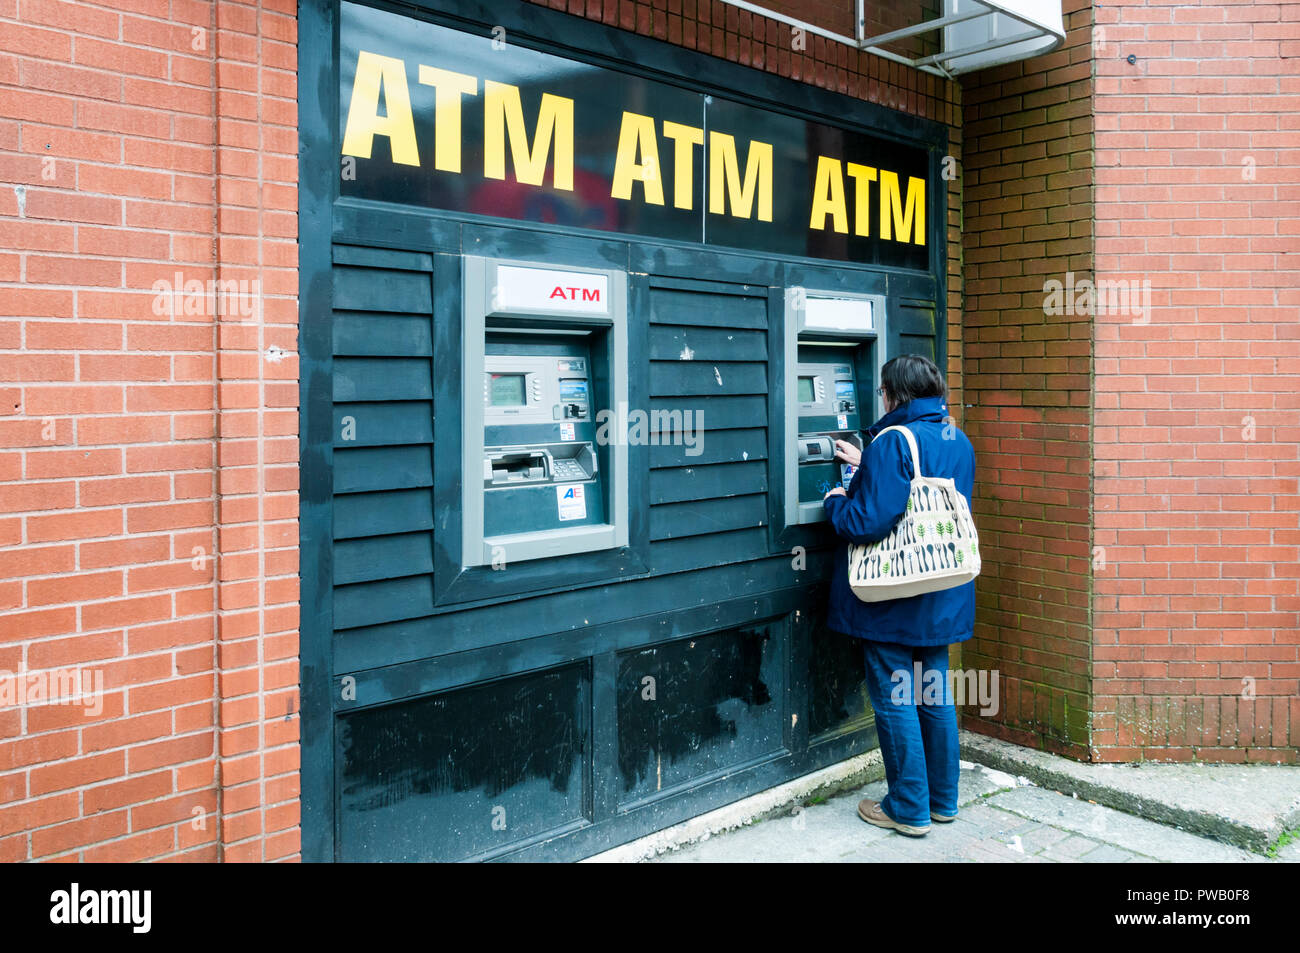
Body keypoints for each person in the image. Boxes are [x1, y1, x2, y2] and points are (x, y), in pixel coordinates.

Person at [822, 354, 976, 838]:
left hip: (895, 593)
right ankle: (942, 801)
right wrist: (871, 464)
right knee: (933, 693)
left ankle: (907, 808)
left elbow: (868, 522)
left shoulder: (891, 441)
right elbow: (926, 494)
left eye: (883, 392)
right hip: (942, 590)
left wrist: (835, 502)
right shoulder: (956, 436)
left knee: (895, 696)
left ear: (893, 394)